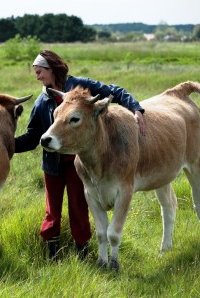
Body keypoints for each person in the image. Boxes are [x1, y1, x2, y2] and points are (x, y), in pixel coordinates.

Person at [15, 49, 145, 261]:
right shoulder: (42, 100)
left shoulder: (82, 88)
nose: (37, 77)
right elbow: (33, 136)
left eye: (40, 72)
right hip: (52, 164)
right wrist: (5, 145)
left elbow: (114, 91)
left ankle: (82, 252)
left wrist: (136, 108)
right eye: (36, 73)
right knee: (52, 210)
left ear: (52, 70)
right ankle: (52, 254)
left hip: (79, 162)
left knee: (78, 208)